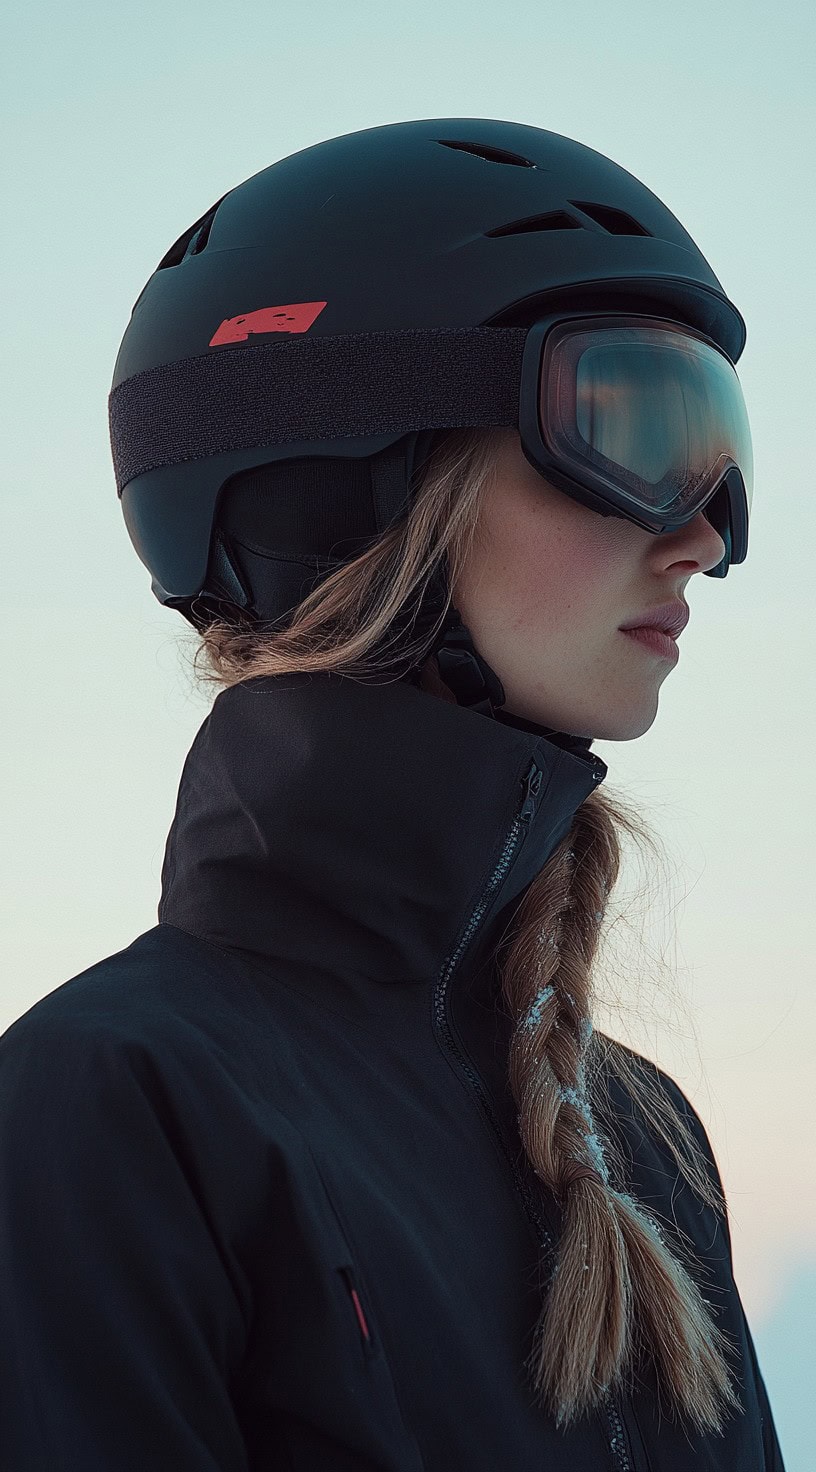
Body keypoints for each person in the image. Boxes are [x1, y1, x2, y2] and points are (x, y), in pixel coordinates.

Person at [0, 119, 785, 1470]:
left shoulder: (647, 1144)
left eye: (722, 444)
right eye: (635, 422)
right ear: (358, 482)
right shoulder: (113, 1109)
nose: (707, 532)